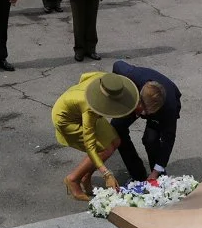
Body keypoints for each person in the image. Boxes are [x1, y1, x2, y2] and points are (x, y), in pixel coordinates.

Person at [52, 72, 139, 201]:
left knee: (115, 141)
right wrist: (106, 173)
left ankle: (86, 176)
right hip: (67, 119)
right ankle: (73, 179)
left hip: (87, 106)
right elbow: (90, 144)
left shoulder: (105, 79)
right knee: (104, 149)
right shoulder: (89, 109)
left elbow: (84, 76)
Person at [110, 61, 182, 182]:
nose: (141, 116)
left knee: (150, 139)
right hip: (135, 99)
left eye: (146, 113)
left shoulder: (169, 109)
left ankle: (157, 175)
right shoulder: (130, 75)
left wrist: (155, 172)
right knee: (116, 127)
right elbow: (117, 64)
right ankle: (137, 174)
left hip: (164, 105)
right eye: (140, 112)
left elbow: (168, 140)